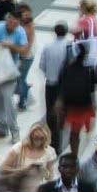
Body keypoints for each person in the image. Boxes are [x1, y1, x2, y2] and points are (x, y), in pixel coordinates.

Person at [0, 10, 31, 142]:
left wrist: (10, 45)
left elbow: (24, 50)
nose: (12, 24)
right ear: (7, 19)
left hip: (10, 71)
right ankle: (2, 126)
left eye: (15, 22)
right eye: (10, 20)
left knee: (8, 100)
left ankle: (14, 130)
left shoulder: (20, 32)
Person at [58, 43, 97, 158]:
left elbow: (62, 86)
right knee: (75, 133)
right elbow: (93, 85)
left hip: (73, 106)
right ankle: (74, 155)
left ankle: (74, 154)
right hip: (81, 106)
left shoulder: (67, 68)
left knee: (74, 133)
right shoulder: (89, 68)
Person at [39, 22, 72, 151]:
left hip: (51, 83)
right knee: (63, 110)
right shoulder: (70, 46)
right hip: (66, 85)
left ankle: (55, 142)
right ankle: (62, 129)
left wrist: (50, 72)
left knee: (51, 113)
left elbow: (42, 65)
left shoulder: (48, 47)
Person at [15, 5, 37, 111]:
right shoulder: (21, 25)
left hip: (25, 56)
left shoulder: (28, 27)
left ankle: (22, 102)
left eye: (27, 14)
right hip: (22, 55)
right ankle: (27, 96)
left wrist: (20, 55)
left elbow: (28, 44)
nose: (26, 16)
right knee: (19, 79)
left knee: (21, 79)